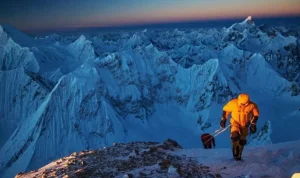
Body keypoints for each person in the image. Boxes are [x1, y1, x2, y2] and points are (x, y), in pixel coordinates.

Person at [220, 93, 259, 161]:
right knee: (235, 136)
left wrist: (253, 124)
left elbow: (255, 115)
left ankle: (239, 154)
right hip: (234, 122)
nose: (244, 105)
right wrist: (223, 120)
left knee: (242, 141)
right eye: (242, 104)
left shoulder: (252, 105)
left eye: (245, 104)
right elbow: (226, 110)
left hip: (245, 124)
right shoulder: (233, 103)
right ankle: (235, 151)